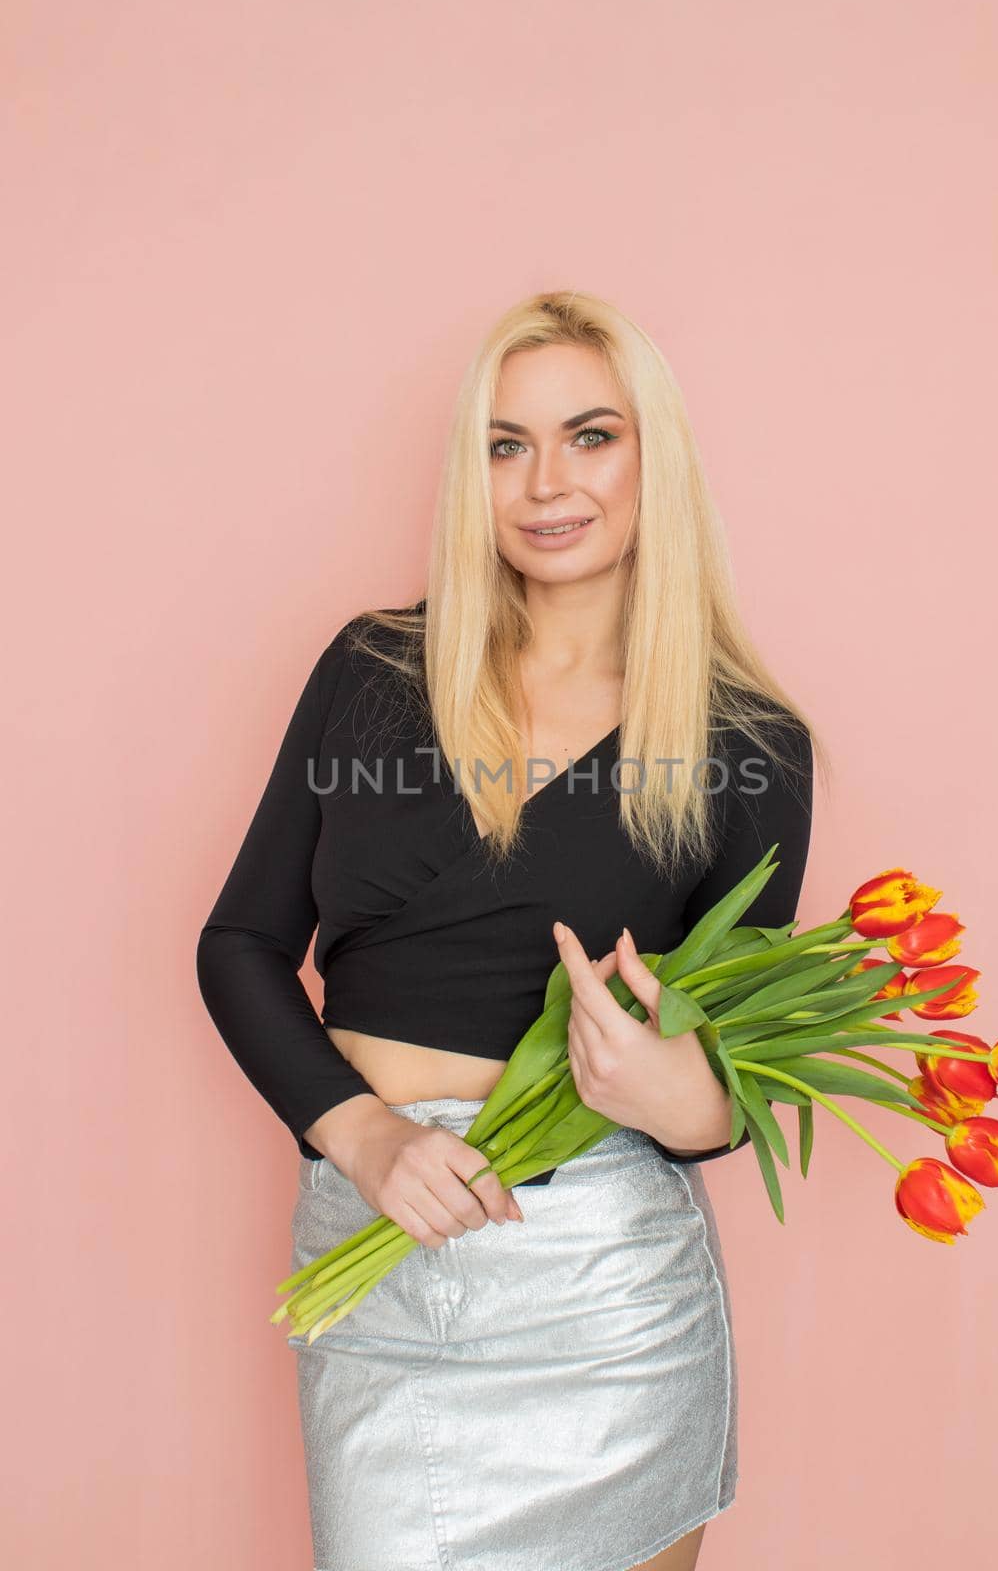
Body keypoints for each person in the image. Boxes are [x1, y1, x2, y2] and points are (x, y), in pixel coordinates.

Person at [196, 289, 820, 1571]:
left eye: (590, 435)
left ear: (653, 454)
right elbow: (241, 943)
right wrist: (358, 1132)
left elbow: (734, 1092)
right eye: (503, 443)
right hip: (375, 1240)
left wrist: (676, 1094)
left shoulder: (748, 748)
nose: (546, 481)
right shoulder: (372, 671)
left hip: (602, 1283)